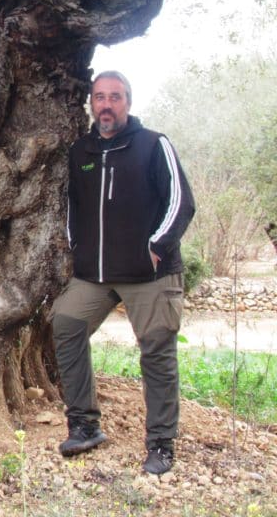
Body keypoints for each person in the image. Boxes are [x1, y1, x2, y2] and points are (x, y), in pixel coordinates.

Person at [52, 71, 195, 475]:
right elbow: (73, 208)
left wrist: (157, 247)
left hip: (150, 275)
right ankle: (84, 424)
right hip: (95, 274)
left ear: (127, 102)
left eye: (114, 97)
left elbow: (181, 202)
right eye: (99, 97)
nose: (106, 104)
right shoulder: (80, 151)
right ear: (91, 104)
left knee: (157, 352)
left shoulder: (153, 145)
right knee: (65, 323)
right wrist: (76, 247)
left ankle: (161, 443)